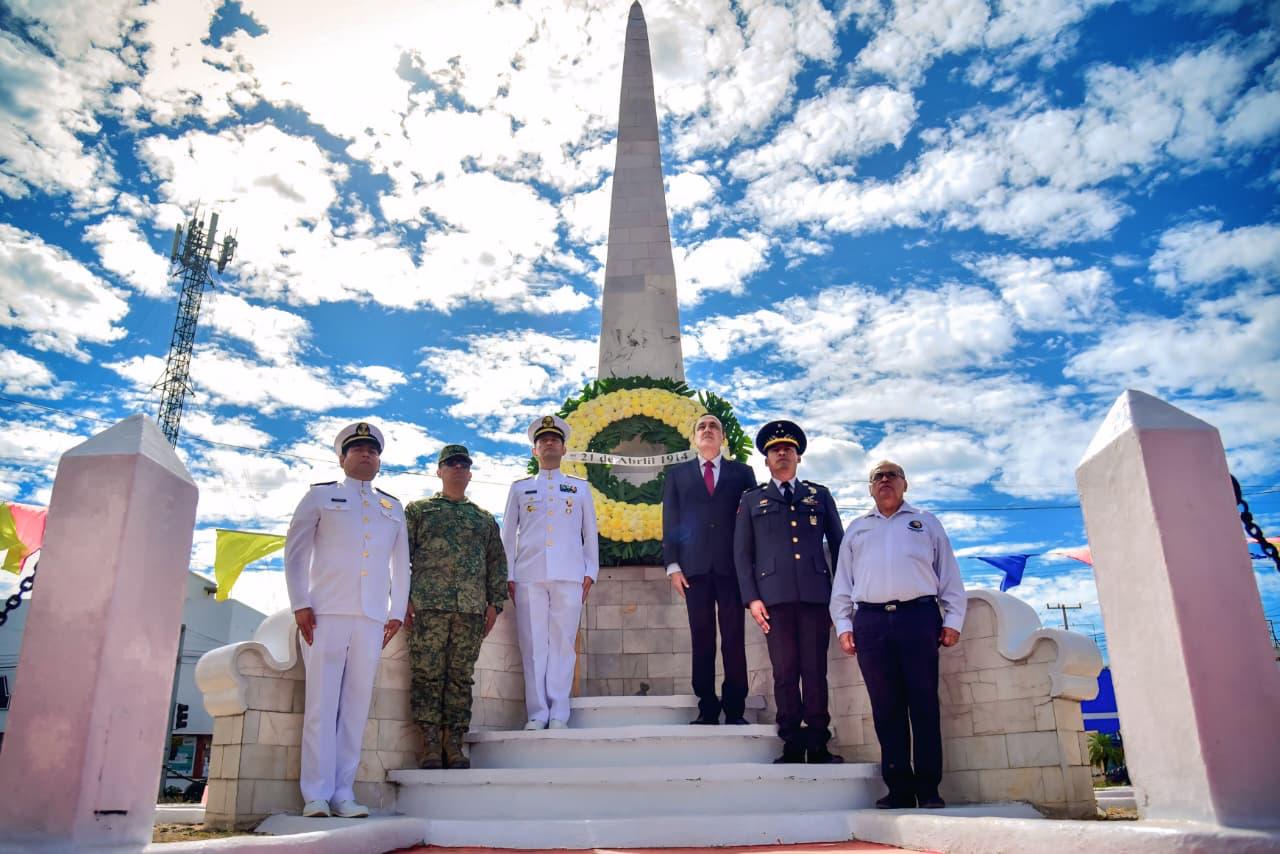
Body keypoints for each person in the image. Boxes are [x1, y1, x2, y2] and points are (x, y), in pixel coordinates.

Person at [284, 421, 410, 818]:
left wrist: (396, 612)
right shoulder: (320, 497)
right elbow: (296, 552)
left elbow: (401, 565)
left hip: (372, 617)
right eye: (357, 449)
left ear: (379, 461)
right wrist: (300, 602)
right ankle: (316, 794)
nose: (366, 454)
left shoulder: (392, 506)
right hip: (326, 612)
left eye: (372, 450)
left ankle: (343, 792)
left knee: (355, 705)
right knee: (322, 703)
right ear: (342, 458)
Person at [830, 459, 966, 810]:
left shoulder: (926, 522)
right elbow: (842, 584)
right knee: (885, 708)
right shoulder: (857, 530)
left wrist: (953, 619)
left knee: (923, 704)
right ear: (870, 488)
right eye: (878, 477)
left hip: (918, 617)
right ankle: (899, 788)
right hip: (871, 623)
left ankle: (929, 789)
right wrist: (844, 626)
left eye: (892, 475)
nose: (885, 480)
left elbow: (948, 573)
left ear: (905, 484)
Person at [733, 420, 844, 764]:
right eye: (775, 450)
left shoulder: (818, 495)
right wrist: (752, 599)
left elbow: (840, 548)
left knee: (815, 672)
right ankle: (792, 743)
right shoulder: (752, 500)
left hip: (815, 599)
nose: (782, 453)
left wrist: (839, 599)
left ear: (798, 458)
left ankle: (818, 742)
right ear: (766, 461)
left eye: (788, 449)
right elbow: (742, 553)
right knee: (784, 672)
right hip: (774, 601)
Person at [403, 444, 508, 769]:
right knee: (427, 676)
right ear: (439, 470)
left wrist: (495, 604)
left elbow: (496, 563)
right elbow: (398, 557)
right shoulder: (418, 511)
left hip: (470, 611)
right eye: (451, 463)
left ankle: (455, 744)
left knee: (461, 678)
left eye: (463, 463)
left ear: (470, 472)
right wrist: (401, 599)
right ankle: (431, 745)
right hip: (427, 608)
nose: (458, 468)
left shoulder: (483, 519)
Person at [502, 415, 599, 730]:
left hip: (570, 575)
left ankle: (559, 711)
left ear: (564, 448)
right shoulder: (520, 489)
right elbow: (508, 535)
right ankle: (537, 712)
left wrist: (591, 571)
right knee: (533, 646)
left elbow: (590, 534)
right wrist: (509, 574)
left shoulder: (579, 488)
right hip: (529, 574)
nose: (548, 444)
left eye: (554, 439)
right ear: (534, 451)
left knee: (562, 643)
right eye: (542, 440)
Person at [662, 413, 756, 725]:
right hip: (694, 571)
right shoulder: (677, 475)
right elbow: (671, 521)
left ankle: (735, 708)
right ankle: (707, 705)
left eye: (713, 426)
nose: (707, 430)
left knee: (733, 638)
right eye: (701, 426)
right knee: (701, 638)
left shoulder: (742, 473)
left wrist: (751, 565)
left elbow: (752, 521)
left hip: (732, 569)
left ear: (722, 437)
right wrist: (673, 565)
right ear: (694, 437)